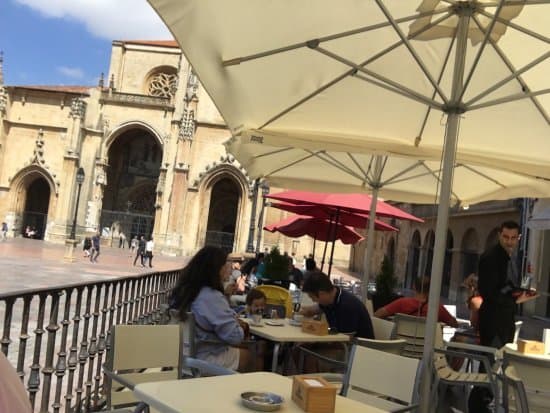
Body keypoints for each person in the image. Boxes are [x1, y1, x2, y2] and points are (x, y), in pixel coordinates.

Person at [469, 220, 537, 412]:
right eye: (506, 237)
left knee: (492, 368)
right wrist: (516, 300)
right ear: (500, 235)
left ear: (518, 238)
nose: (509, 241)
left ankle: (482, 405)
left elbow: (504, 287)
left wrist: (520, 292)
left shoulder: (509, 257)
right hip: (493, 322)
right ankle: (478, 407)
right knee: (488, 368)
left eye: (513, 238)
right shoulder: (491, 257)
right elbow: (490, 293)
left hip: (503, 320)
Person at [169, 246, 255, 371]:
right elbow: (234, 337)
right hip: (202, 358)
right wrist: (240, 326)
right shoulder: (211, 296)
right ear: (216, 268)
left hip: (179, 354)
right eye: (226, 263)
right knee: (251, 356)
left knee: (248, 349)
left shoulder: (185, 291)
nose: (230, 267)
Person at [301, 271, 374, 338]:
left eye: (312, 297)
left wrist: (317, 344)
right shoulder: (330, 300)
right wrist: (302, 312)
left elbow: (345, 339)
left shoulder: (347, 305)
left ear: (321, 293)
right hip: (343, 344)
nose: (313, 301)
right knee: (303, 346)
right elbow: (313, 310)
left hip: (359, 348)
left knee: (306, 347)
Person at [374, 276, 458, 328]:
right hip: (426, 349)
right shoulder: (436, 308)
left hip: (402, 346)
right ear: (430, 289)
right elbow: (454, 324)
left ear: (414, 287)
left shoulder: (402, 303)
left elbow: (378, 314)